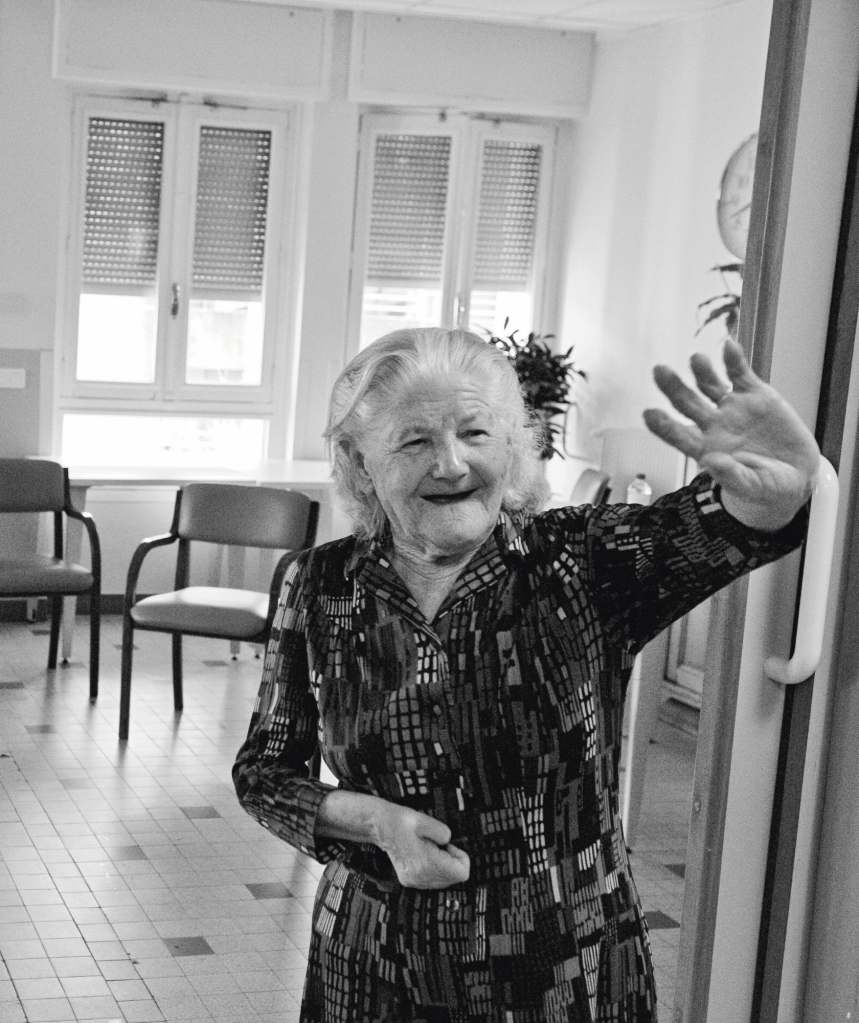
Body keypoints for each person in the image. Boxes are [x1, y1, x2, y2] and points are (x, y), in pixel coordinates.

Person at [233, 327, 819, 1022]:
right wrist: (369, 822)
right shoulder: (319, 584)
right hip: (373, 964)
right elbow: (264, 772)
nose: (451, 463)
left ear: (512, 447)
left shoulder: (581, 561)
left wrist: (770, 496)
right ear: (361, 465)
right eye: (414, 441)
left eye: (475, 433)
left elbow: (707, 531)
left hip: (561, 965)